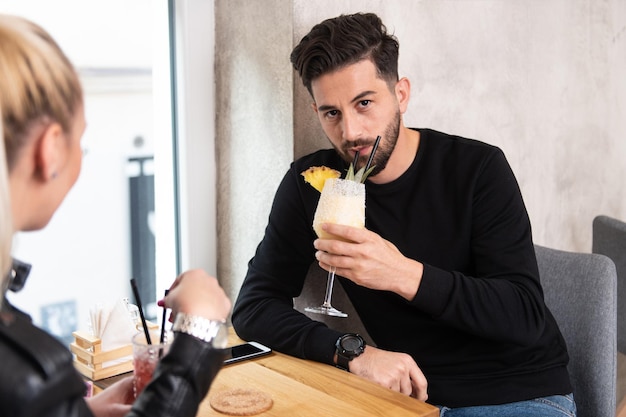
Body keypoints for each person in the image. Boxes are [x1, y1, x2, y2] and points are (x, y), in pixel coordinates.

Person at [232, 12, 576, 416]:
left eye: (364, 103)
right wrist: (351, 351)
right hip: (405, 401)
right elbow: (253, 307)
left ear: (401, 94)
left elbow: (524, 313)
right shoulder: (314, 182)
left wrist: (400, 273)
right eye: (332, 113)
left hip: (516, 393)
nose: (351, 132)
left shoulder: (478, 169)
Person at [0, 14, 231, 417]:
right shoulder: (21, 368)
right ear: (50, 149)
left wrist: (79, 412)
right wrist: (199, 329)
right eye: (81, 141)